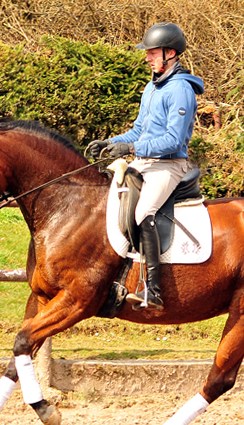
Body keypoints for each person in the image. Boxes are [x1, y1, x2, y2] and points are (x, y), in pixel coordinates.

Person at [88, 22, 205, 311]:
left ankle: (153, 289)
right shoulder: (152, 88)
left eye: (152, 53)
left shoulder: (180, 90)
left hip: (169, 165)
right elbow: (138, 132)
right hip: (143, 161)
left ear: (170, 53)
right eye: (148, 53)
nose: (147, 58)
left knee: (142, 213)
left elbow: (172, 140)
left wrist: (130, 149)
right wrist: (109, 142)